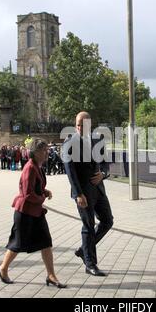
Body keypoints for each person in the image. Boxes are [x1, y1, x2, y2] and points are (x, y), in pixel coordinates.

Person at [0, 138, 66, 288]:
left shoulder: (38, 166)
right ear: (35, 153)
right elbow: (28, 194)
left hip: (36, 213)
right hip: (25, 213)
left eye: (47, 150)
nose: (47, 153)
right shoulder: (30, 168)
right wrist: (42, 197)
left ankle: (51, 275)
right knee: (17, 244)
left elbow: (35, 188)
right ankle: (3, 268)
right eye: (44, 150)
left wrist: (44, 191)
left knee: (46, 242)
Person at [63, 111, 113, 277]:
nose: (79, 128)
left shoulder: (98, 139)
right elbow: (70, 172)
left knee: (107, 221)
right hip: (83, 193)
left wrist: (103, 174)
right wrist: (78, 194)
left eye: (83, 125)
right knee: (88, 225)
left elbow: (105, 163)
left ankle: (84, 251)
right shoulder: (70, 142)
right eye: (77, 124)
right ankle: (90, 264)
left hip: (99, 189)